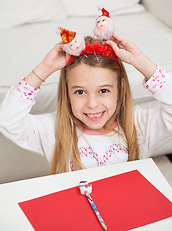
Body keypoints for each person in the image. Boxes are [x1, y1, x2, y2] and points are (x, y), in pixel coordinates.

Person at [0, 34, 171, 175]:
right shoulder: (52, 129)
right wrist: (45, 68)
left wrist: (140, 61)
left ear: (120, 91)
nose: (92, 104)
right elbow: (8, 119)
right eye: (80, 92)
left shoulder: (140, 124)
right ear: (67, 94)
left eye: (103, 90)